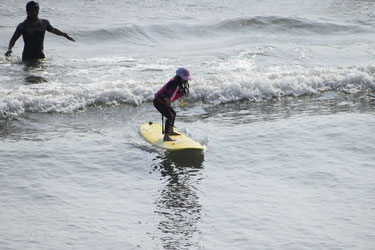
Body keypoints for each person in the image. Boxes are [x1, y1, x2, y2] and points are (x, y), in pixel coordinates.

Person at [4, 1, 75, 61]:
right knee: (29, 76)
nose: (34, 12)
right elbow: (13, 39)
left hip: (40, 55)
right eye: (32, 10)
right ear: (27, 12)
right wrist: (9, 49)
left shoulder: (44, 23)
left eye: (36, 10)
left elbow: (53, 30)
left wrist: (65, 35)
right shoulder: (23, 26)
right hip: (27, 57)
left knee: (41, 76)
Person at [154, 67, 192, 141]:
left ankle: (170, 131)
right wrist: (166, 99)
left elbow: (173, 95)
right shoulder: (173, 84)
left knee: (173, 113)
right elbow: (163, 93)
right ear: (180, 77)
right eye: (185, 78)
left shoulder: (177, 84)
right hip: (158, 102)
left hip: (163, 102)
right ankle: (166, 137)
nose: (187, 80)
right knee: (170, 116)